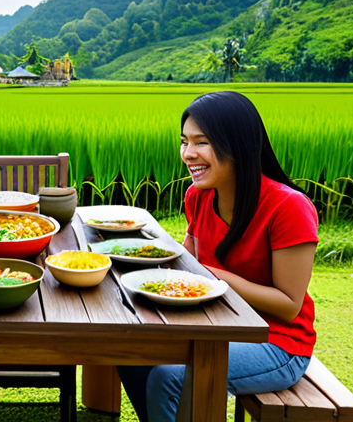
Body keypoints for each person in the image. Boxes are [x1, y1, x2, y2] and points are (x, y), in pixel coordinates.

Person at [118, 91, 318, 422]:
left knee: (170, 377)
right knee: (129, 349)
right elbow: (187, 262)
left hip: (278, 343)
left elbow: (289, 304)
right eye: (184, 141)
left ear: (237, 144)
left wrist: (220, 278)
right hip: (218, 325)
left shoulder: (288, 207)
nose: (187, 153)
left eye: (202, 142)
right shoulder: (198, 196)